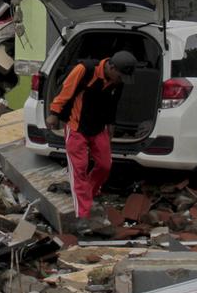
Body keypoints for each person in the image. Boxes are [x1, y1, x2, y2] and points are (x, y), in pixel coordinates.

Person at [45, 50, 137, 221]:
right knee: (79, 169)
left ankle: (88, 193)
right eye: (121, 76)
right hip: (76, 127)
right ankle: (83, 215)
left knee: (105, 165)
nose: (121, 81)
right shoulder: (85, 70)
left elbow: (112, 105)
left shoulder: (118, 81)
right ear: (112, 67)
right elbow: (65, 92)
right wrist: (54, 113)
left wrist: (111, 126)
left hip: (98, 127)